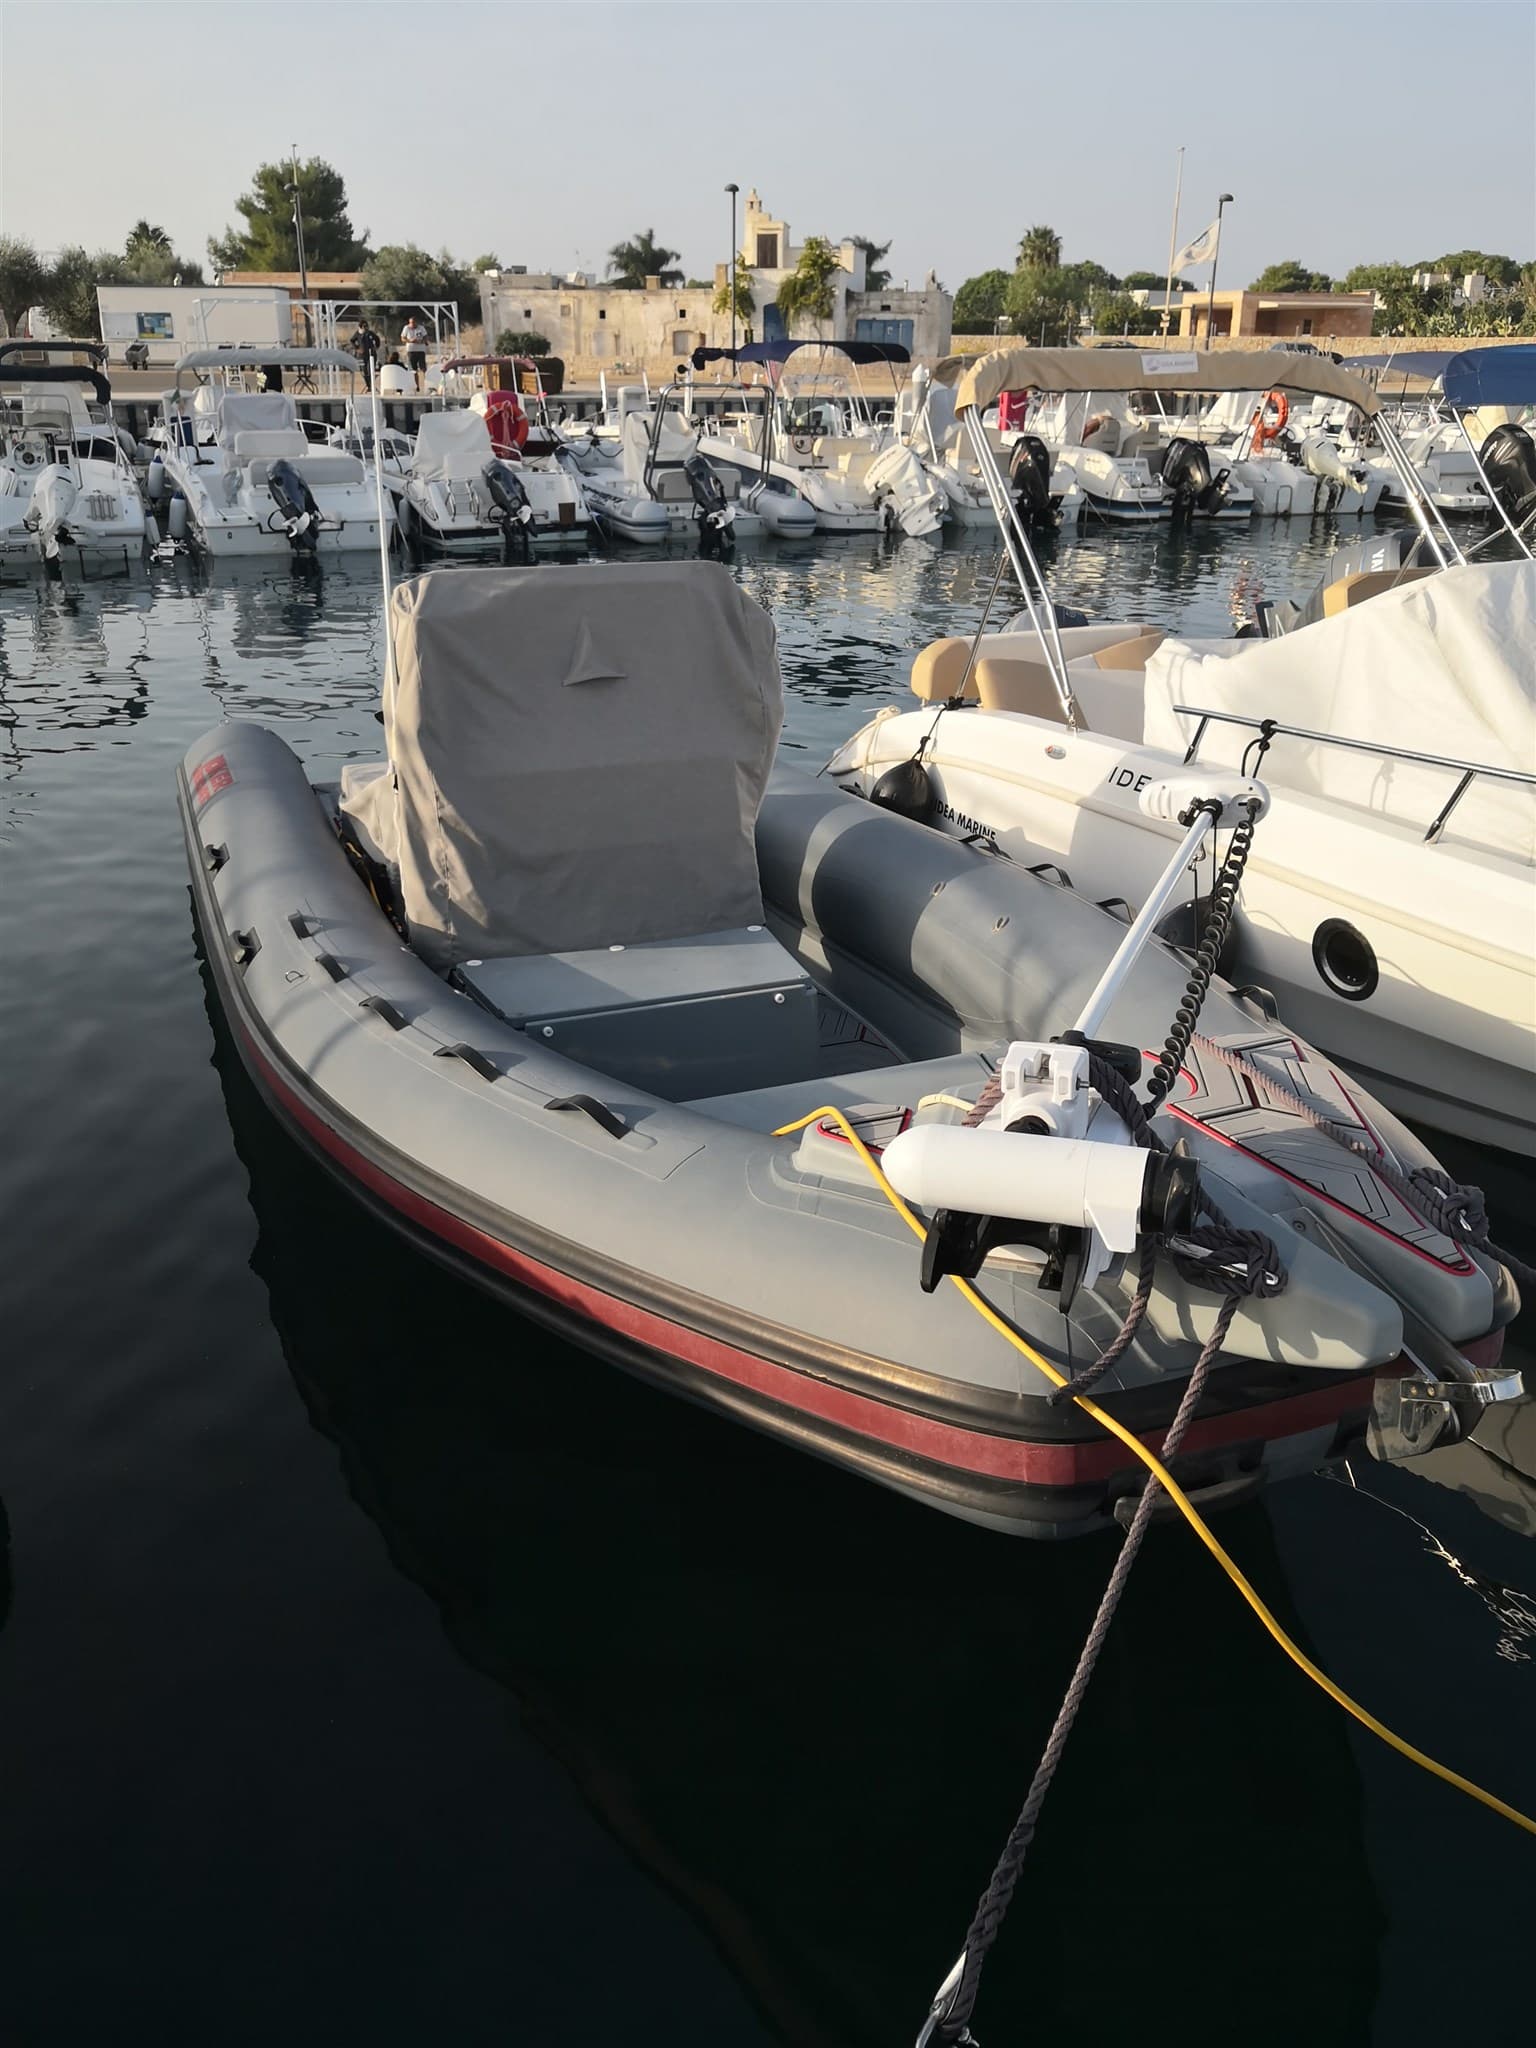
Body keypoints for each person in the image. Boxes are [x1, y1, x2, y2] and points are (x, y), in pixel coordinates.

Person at [400, 315, 429, 391]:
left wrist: (422, 341)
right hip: (411, 351)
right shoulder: (406, 328)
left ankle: (427, 384)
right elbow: (403, 338)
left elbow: (426, 337)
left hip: (420, 350)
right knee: (413, 369)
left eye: (413, 323)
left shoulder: (421, 328)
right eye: (411, 323)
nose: (412, 324)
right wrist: (410, 341)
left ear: (416, 323)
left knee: (423, 368)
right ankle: (416, 386)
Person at [350, 323, 382, 388]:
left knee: (370, 369)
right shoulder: (357, 334)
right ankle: (368, 385)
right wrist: (357, 348)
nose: (365, 328)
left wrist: (376, 347)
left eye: (366, 326)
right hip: (362, 354)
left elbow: (377, 339)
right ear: (360, 327)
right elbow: (352, 341)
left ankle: (371, 385)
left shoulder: (370, 333)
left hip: (371, 354)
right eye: (364, 327)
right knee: (364, 370)